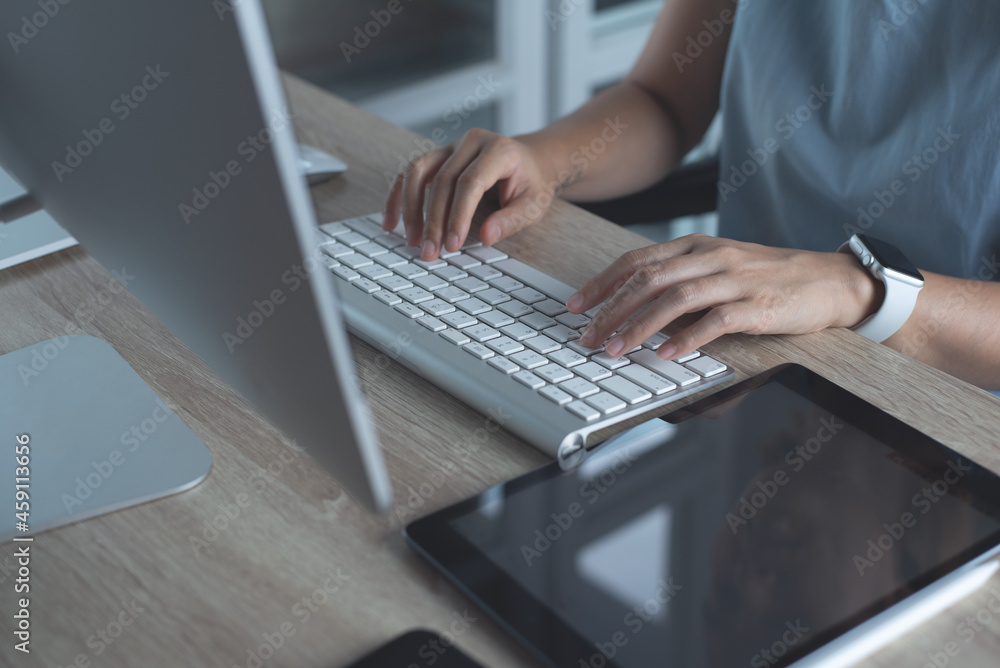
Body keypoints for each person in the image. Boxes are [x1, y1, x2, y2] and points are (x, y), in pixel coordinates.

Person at [382, 0, 1000, 390]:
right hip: (731, 357)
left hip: (940, 397)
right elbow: (665, 101)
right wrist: (546, 157)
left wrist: (857, 288)